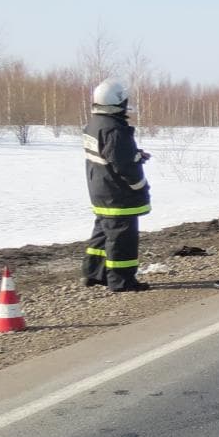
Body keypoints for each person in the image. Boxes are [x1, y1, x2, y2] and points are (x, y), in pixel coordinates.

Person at [82, 78, 153, 292]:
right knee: (122, 239)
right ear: (119, 102)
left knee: (102, 234)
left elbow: (110, 155)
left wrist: (135, 155)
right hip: (118, 195)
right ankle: (122, 281)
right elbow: (123, 165)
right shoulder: (115, 129)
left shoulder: (94, 124)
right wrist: (139, 186)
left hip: (100, 190)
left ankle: (94, 273)